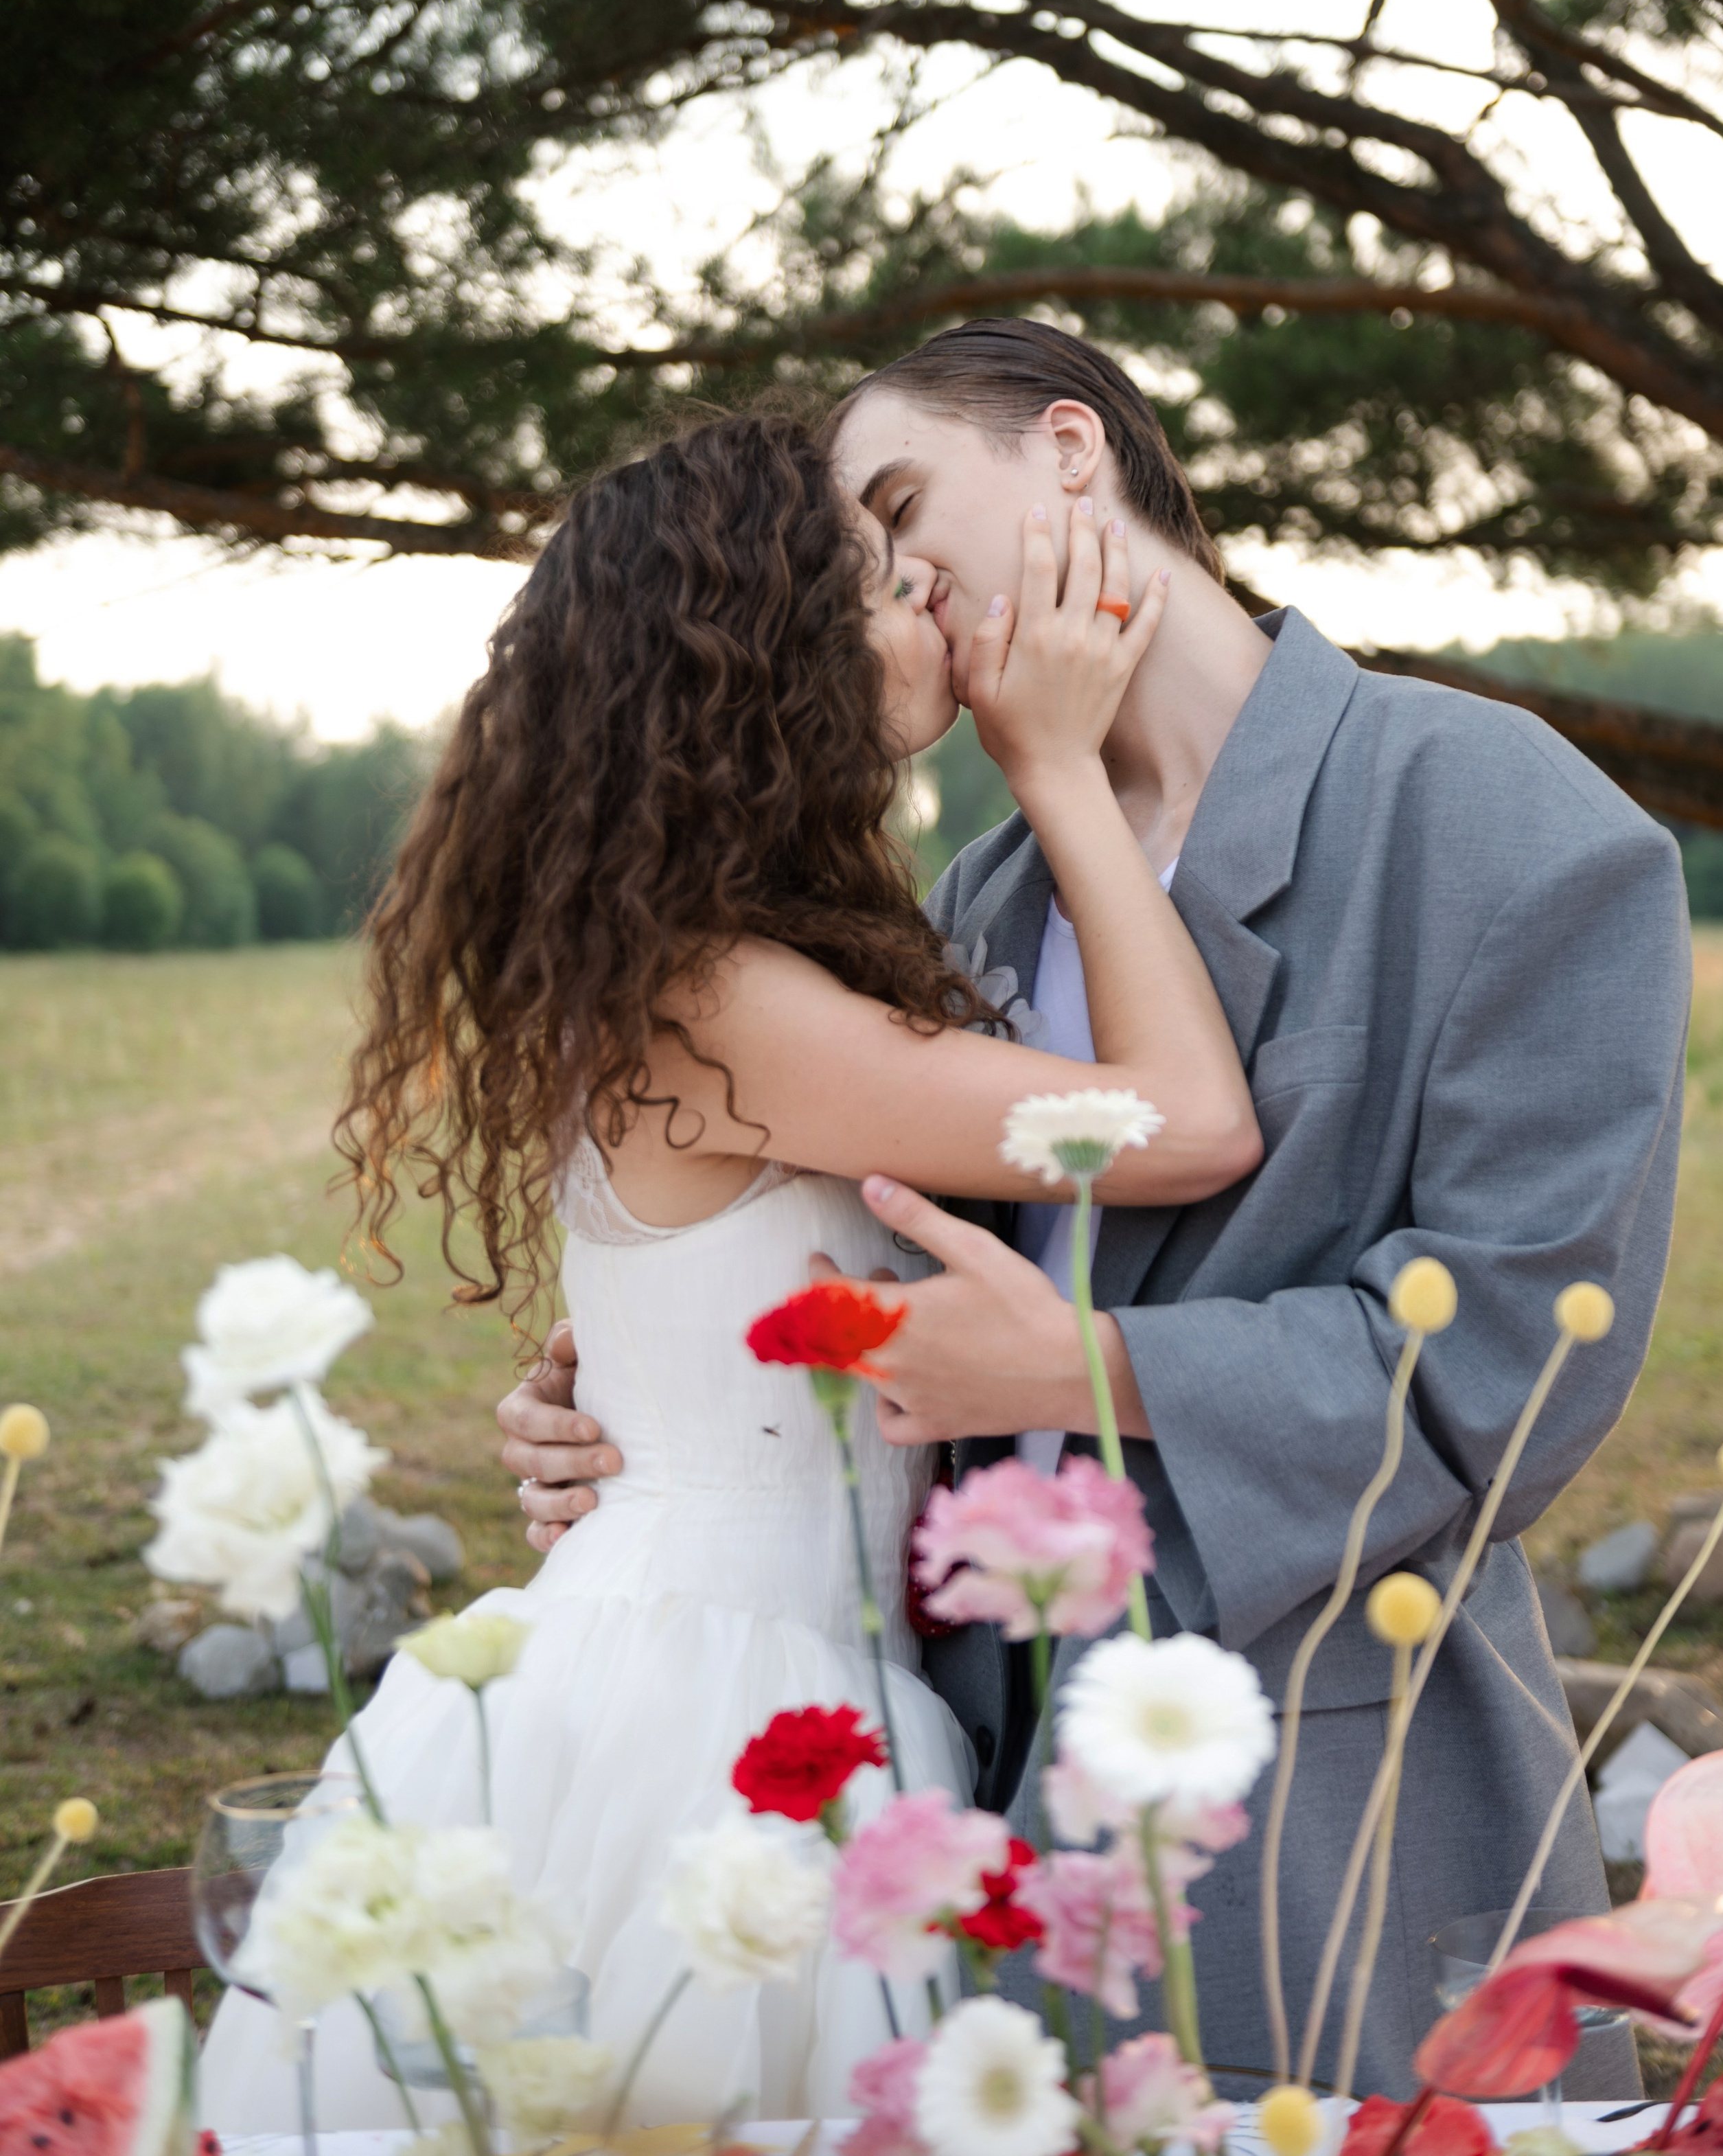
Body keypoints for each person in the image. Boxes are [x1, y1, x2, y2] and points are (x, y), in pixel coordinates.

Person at [502, 319, 1693, 2099]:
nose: (890, 586)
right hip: (953, 1819)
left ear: (1072, 453)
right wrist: (640, 1406)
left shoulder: (1500, 822)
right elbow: (877, 1299)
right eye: (855, 561)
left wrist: (1086, 1368)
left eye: (906, 510)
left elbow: (1506, 1374)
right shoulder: (968, 902)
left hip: (1320, 1819)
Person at [198, 409, 1260, 2134]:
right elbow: (1192, 1124)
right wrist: (1058, 767)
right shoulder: (725, 1002)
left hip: (715, 1635)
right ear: (767, 654)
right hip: (711, 1705)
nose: (944, 615)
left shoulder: (713, 972)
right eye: (897, 588)